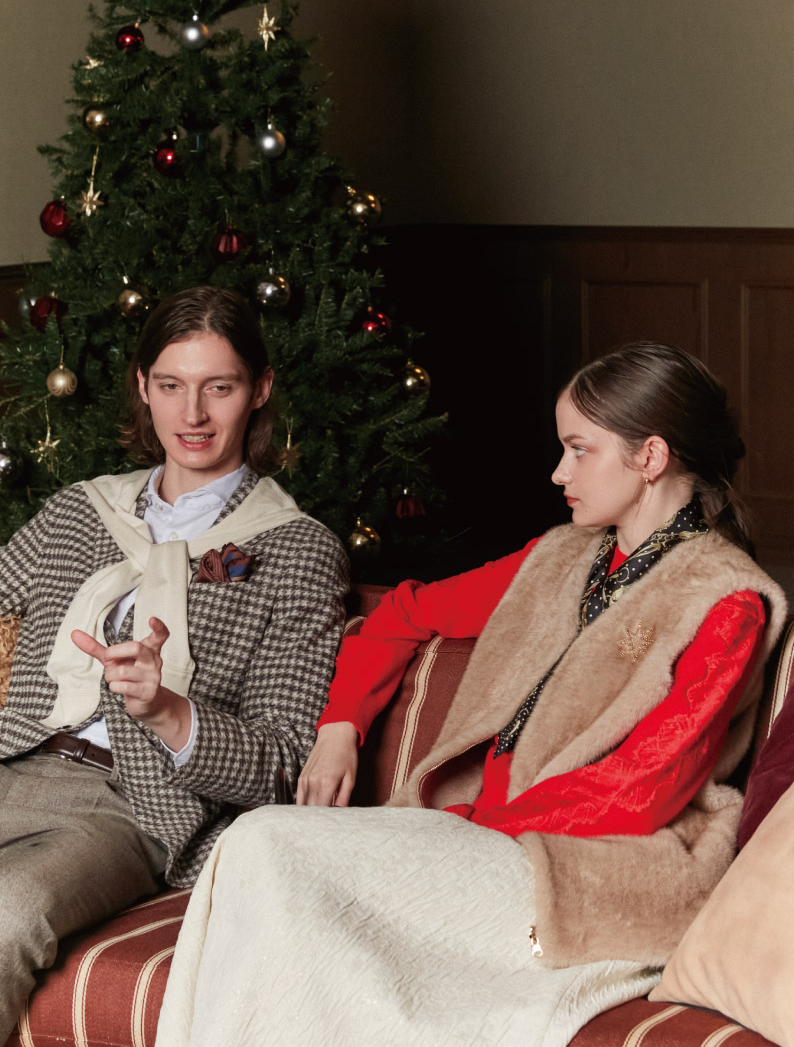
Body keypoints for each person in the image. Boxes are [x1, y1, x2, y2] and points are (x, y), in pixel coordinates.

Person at [156, 342, 786, 1047]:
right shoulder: (559, 556)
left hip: (598, 871)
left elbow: (643, 790)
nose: (559, 472)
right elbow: (401, 614)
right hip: (487, 838)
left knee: (265, 843)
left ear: (650, 457)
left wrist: (471, 828)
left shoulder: (723, 598)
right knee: (253, 847)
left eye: (579, 450)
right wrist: (340, 728)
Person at [0, 285, 348, 1040]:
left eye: (219, 387)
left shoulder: (296, 550)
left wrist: (166, 710)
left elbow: (282, 765)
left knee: (7, 913)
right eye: (170, 386)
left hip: (128, 806)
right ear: (142, 386)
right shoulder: (79, 510)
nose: (192, 414)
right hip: (14, 762)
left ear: (259, 389)